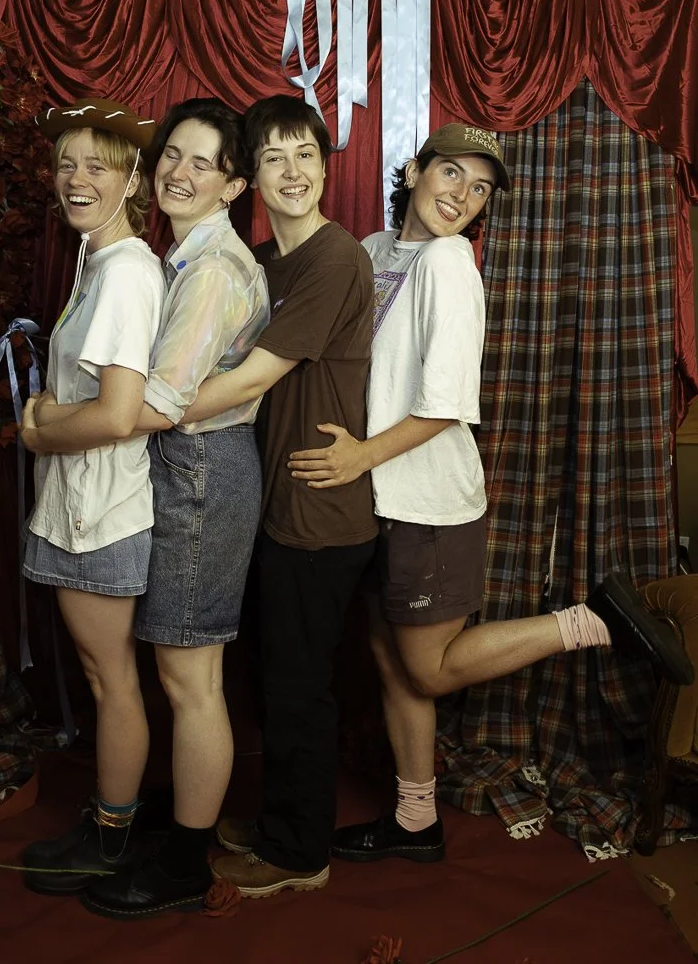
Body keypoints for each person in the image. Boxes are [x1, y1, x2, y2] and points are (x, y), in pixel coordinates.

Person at [287, 122, 695, 865]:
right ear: (413, 171)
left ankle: (591, 621)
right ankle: (416, 819)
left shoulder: (449, 263)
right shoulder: (375, 253)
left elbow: (446, 403)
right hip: (377, 497)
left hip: (426, 502)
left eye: (480, 189)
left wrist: (358, 459)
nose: (463, 197)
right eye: (452, 175)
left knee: (427, 668)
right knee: (387, 656)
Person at [142, 94, 378, 899]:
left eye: (305, 155)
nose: (292, 172)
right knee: (273, 676)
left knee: (298, 686)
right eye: (273, 157)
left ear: (324, 166)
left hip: (319, 506)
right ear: (250, 179)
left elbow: (249, 380)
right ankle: (280, 822)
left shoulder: (336, 257)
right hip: (273, 496)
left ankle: (298, 853)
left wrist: (139, 413)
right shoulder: (268, 262)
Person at [76, 97, 270, 919]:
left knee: (190, 677)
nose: (178, 173)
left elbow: (157, 403)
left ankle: (187, 862)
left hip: (199, 472)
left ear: (232, 184)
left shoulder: (215, 271)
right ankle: (182, 827)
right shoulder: (187, 258)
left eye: (202, 163)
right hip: (191, 469)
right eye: (172, 157)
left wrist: (54, 427)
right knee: (185, 671)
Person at [17, 98, 167, 892]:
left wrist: (40, 428)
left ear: (132, 177)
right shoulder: (97, 260)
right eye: (65, 163)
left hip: (100, 513)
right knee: (103, 673)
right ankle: (110, 817)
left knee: (112, 680)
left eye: (96, 164)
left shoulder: (129, 271)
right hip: (78, 506)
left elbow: (115, 414)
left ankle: (110, 835)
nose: (75, 178)